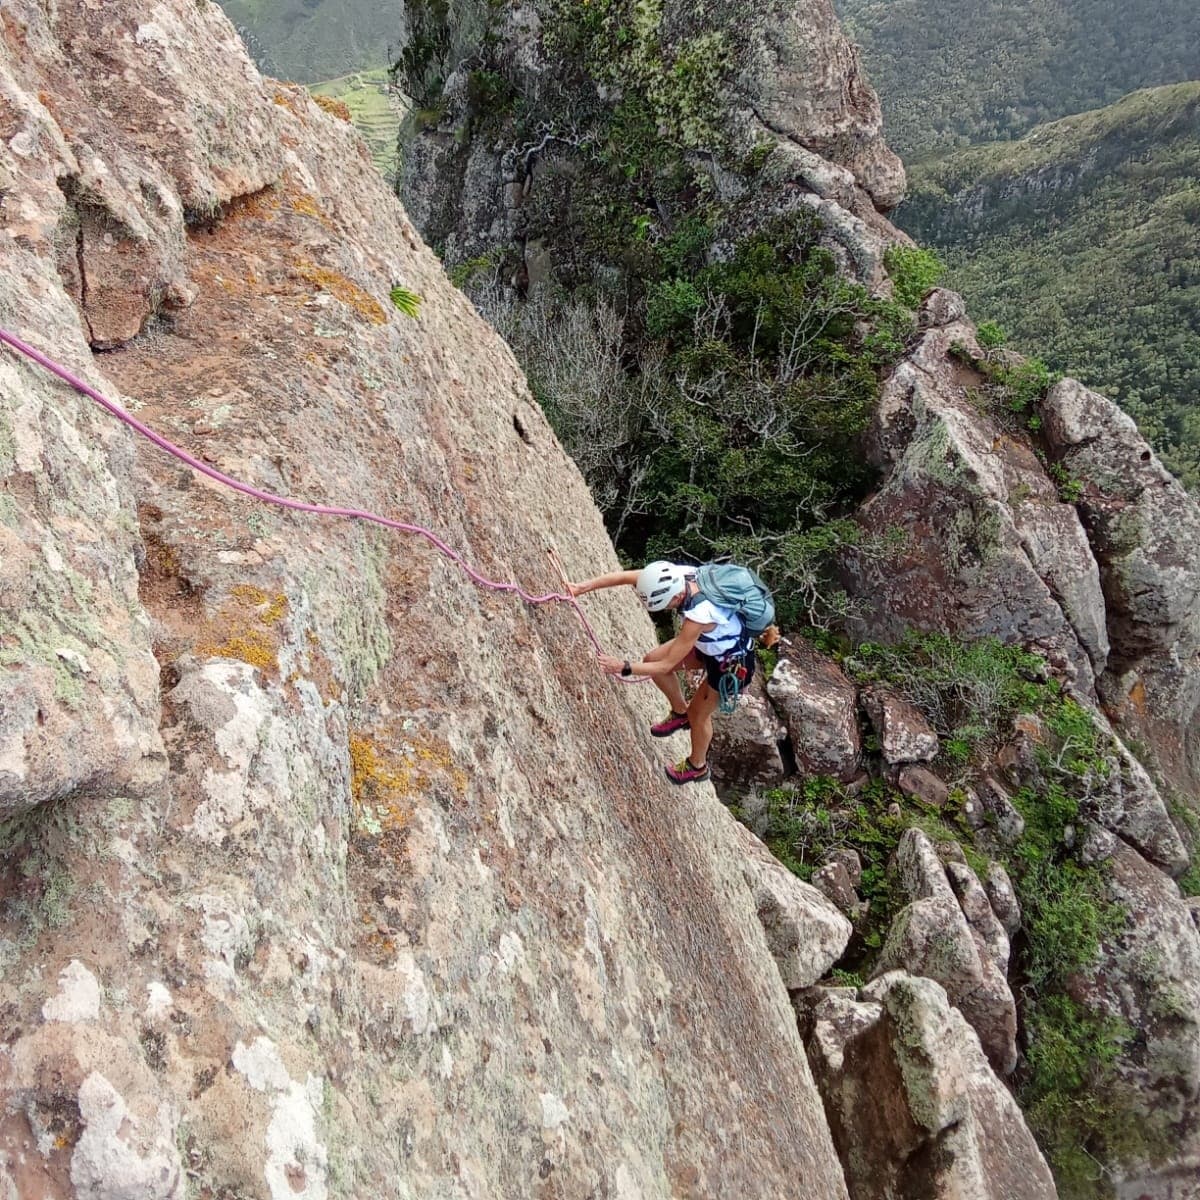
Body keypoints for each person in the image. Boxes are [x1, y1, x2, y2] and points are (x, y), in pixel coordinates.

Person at [567, 561, 756, 785]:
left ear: (675, 598)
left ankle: (697, 766)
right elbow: (625, 577)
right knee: (651, 660)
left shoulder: (698, 614)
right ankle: (679, 712)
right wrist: (582, 587)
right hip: (711, 644)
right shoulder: (677, 576)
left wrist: (624, 666)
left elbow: (667, 666)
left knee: (698, 715)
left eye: (666, 605)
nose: (667, 609)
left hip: (730, 663)